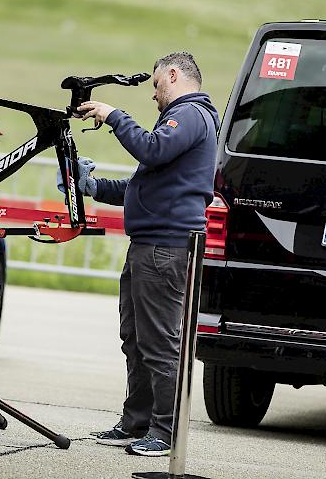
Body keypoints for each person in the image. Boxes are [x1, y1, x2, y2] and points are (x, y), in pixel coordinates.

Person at [60, 52, 220, 456]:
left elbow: (150, 150)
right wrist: (90, 186)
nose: (154, 95)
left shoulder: (191, 115)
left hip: (165, 248)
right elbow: (140, 184)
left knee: (159, 344)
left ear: (173, 75)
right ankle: (137, 422)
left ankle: (164, 433)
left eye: (155, 85)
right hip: (149, 247)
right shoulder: (180, 124)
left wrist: (114, 115)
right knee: (134, 338)